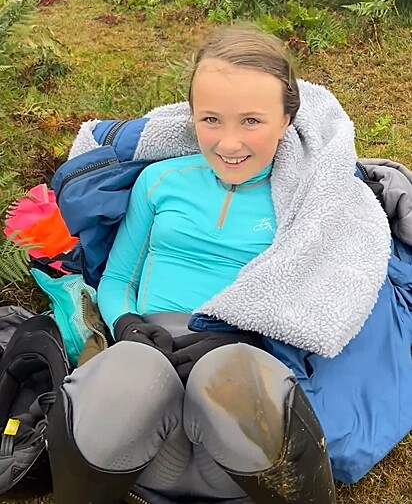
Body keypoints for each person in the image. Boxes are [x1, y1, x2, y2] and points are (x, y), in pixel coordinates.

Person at [45, 26, 412, 504]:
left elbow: (326, 298)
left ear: (287, 119)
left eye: (252, 121)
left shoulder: (309, 200)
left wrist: (247, 335)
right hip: (140, 423)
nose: (229, 143)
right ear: (191, 116)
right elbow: (116, 278)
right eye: (211, 119)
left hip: (246, 425)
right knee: (130, 371)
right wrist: (128, 323)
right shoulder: (159, 181)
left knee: (228, 375)